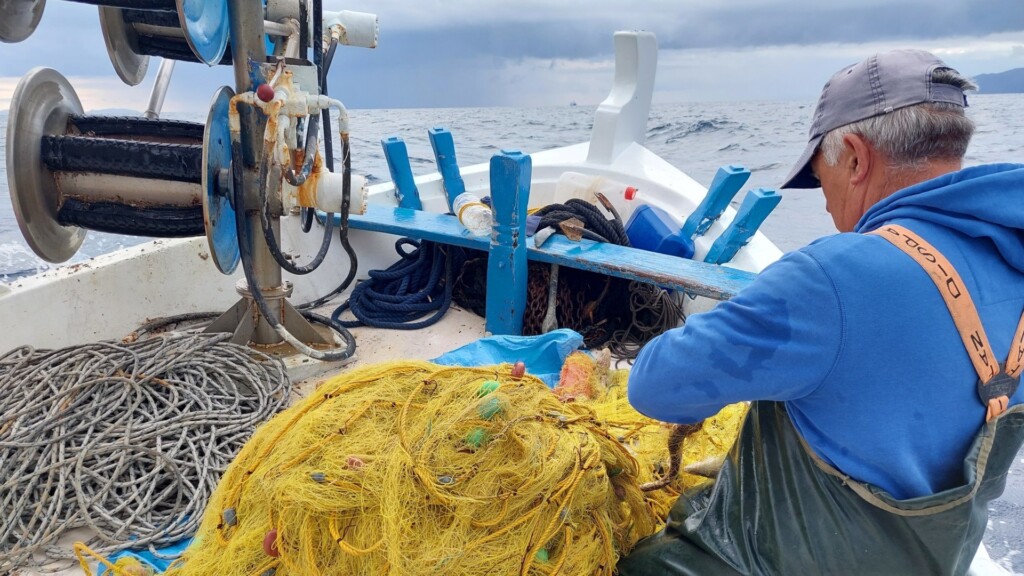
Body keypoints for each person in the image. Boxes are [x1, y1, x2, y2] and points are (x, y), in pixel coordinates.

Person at [617, 49, 1024, 575]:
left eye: (821, 177)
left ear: (855, 157)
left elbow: (654, 387)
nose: (829, 208)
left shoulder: (830, 278)